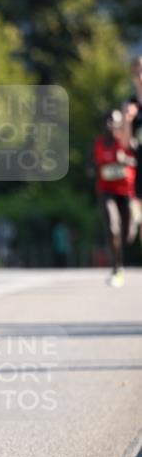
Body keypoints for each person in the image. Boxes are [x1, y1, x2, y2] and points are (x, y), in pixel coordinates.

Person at [92, 108, 137, 286]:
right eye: (108, 121)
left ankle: (133, 223)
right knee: (112, 227)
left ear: (120, 125)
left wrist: (124, 160)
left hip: (126, 192)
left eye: (114, 122)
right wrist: (96, 168)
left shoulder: (127, 142)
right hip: (106, 191)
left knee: (126, 236)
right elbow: (89, 166)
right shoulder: (97, 144)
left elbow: (136, 161)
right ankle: (117, 267)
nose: (110, 125)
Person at [124, 55, 142, 243]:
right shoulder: (130, 104)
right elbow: (125, 143)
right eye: (137, 72)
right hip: (138, 165)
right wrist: (128, 120)